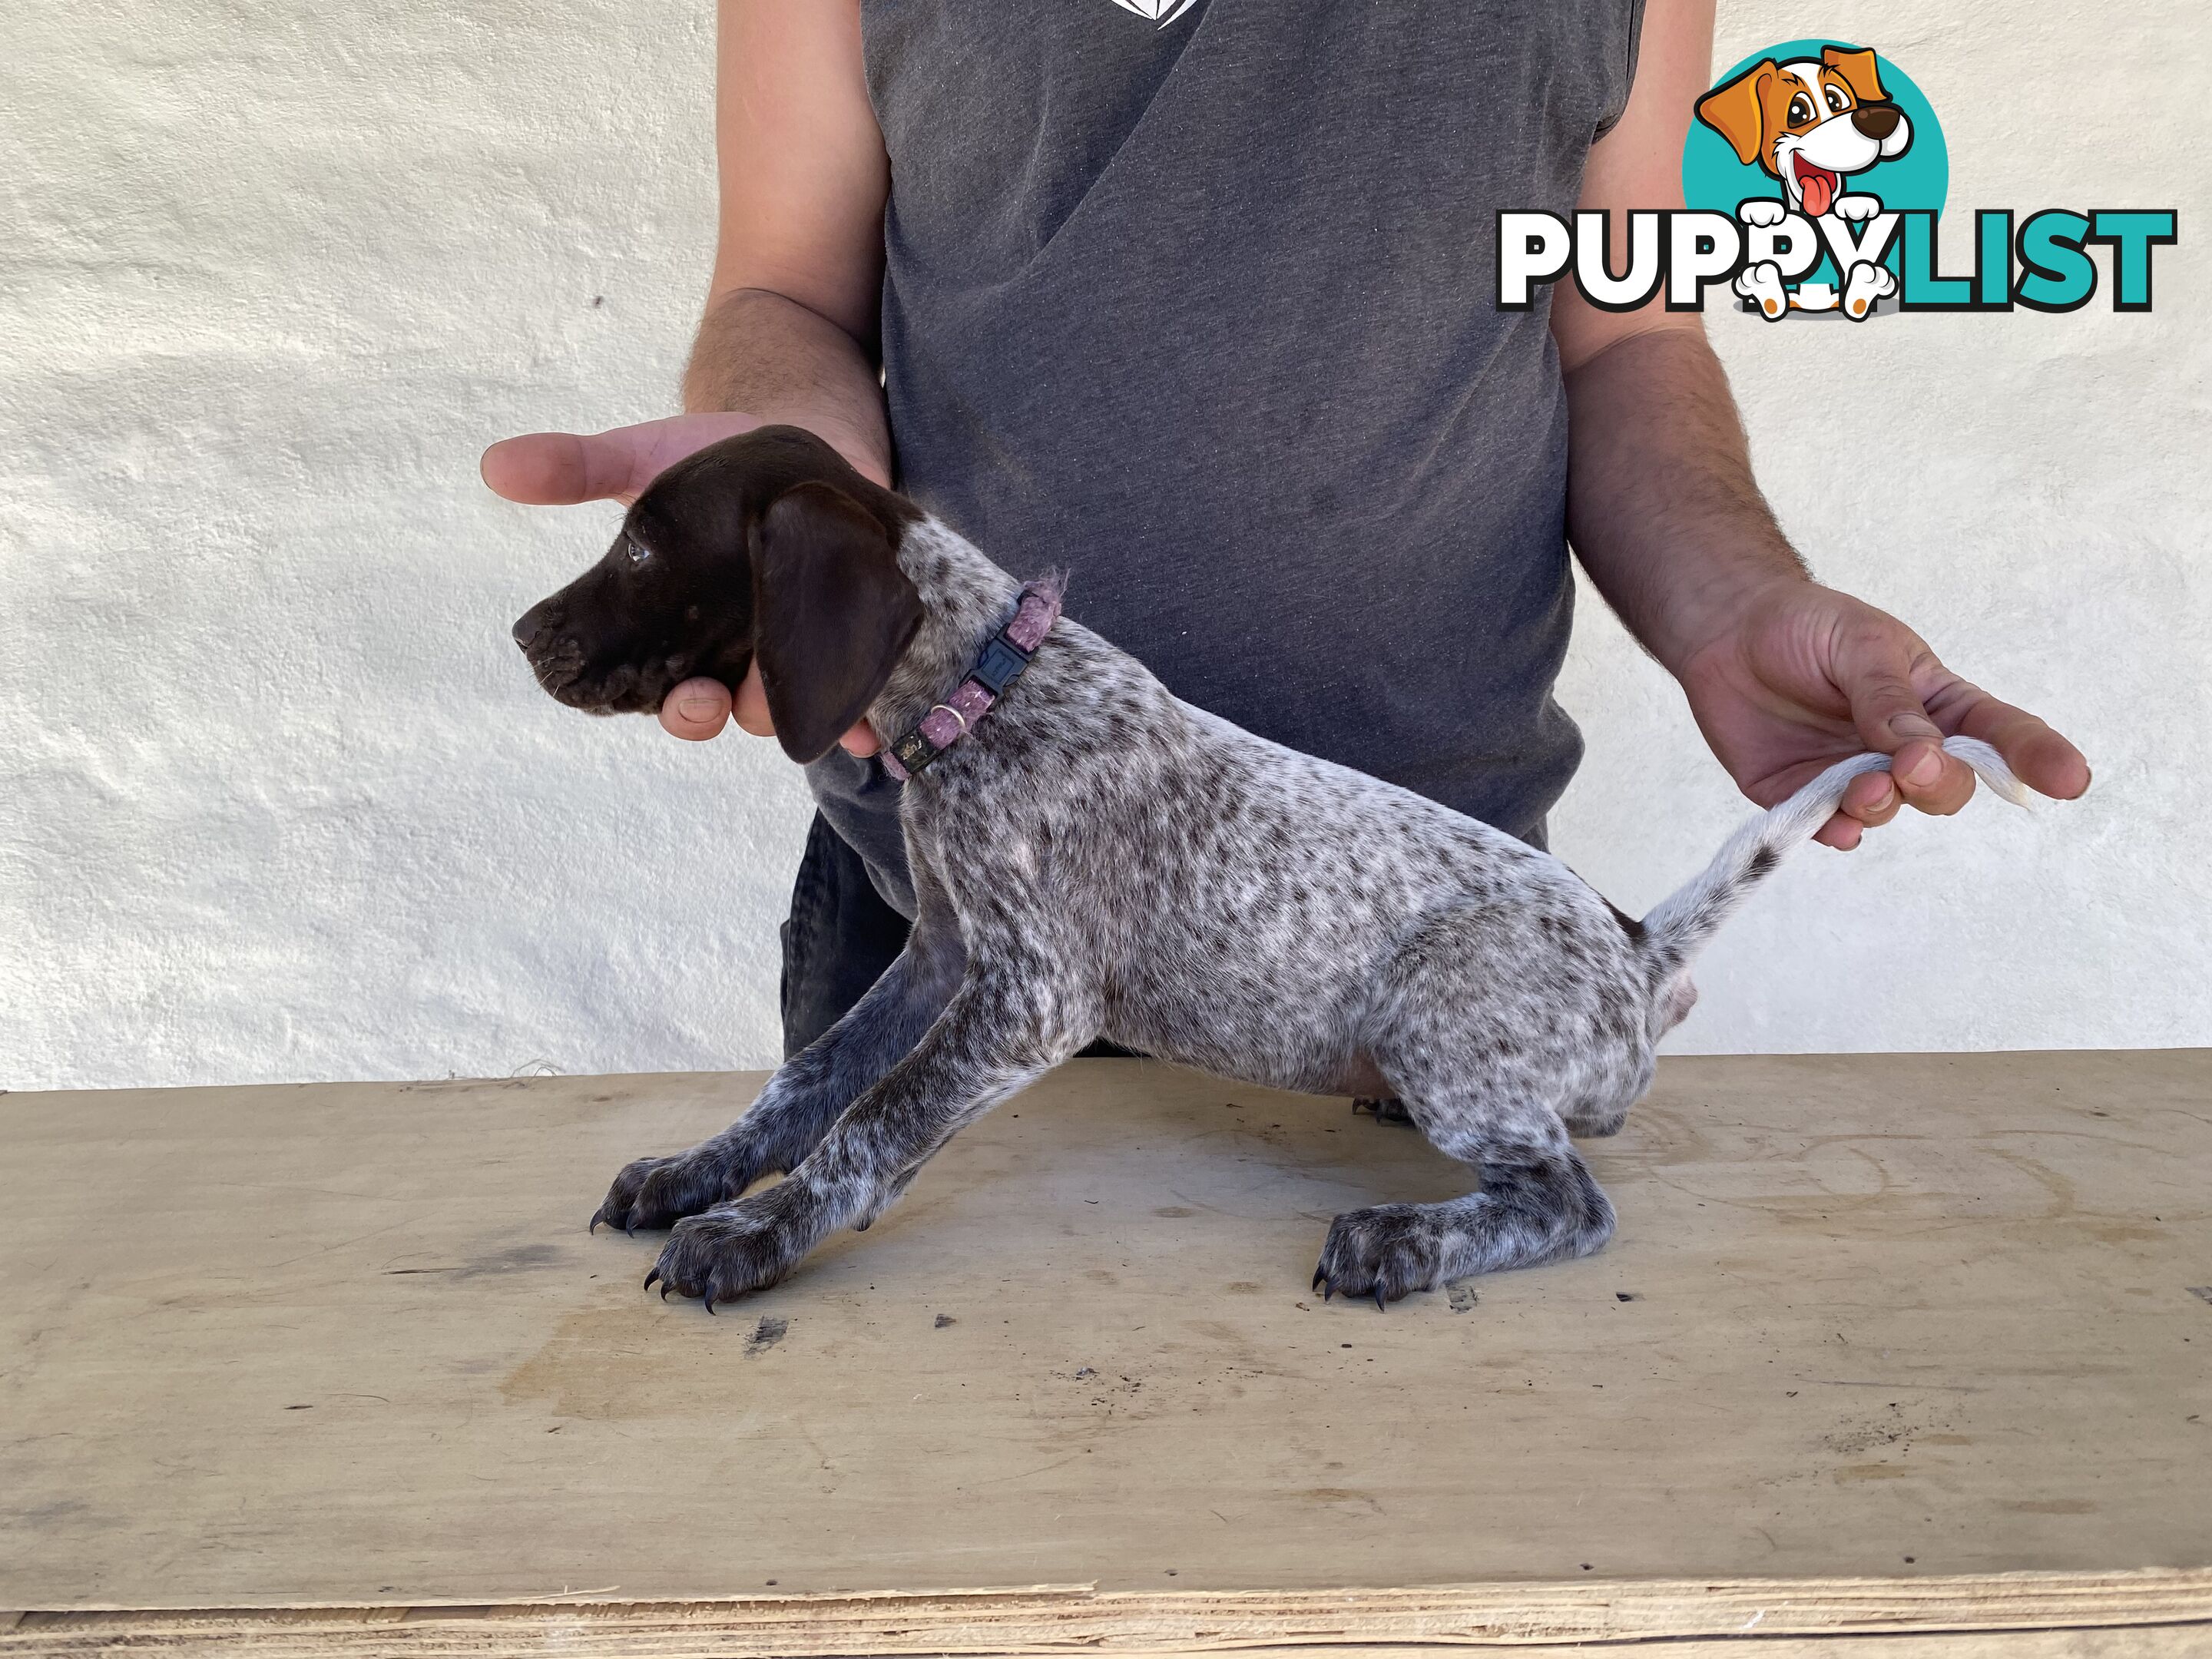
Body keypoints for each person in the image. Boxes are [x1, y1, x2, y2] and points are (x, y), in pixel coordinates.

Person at [482, 1, 2088, 1058]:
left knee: (1427, 1548)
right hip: (955, 898)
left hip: (1413, 926)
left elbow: (1626, 329)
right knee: (931, 1523)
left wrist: (1738, 602)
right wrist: (788, 500)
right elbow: (784, 285)